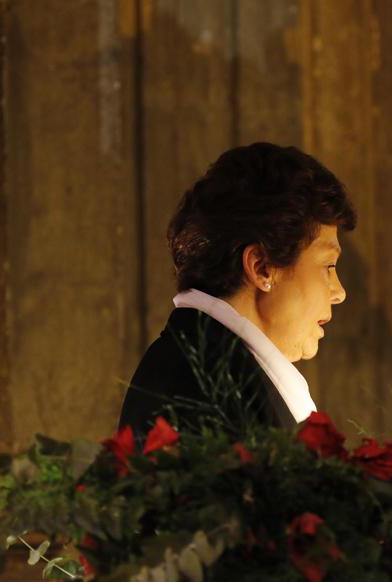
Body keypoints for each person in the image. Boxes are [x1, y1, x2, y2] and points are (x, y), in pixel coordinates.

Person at [118, 142, 356, 441]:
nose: (339, 292)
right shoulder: (203, 387)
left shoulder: (205, 362)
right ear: (262, 267)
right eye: (329, 266)